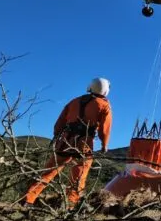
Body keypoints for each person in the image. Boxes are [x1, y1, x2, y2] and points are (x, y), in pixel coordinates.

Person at [22, 77, 113, 208]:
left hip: (65, 140)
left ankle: (27, 199)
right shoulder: (104, 105)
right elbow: (105, 129)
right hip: (84, 143)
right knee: (78, 175)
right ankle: (70, 205)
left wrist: (57, 136)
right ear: (105, 90)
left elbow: (59, 123)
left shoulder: (74, 101)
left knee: (49, 171)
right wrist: (104, 145)